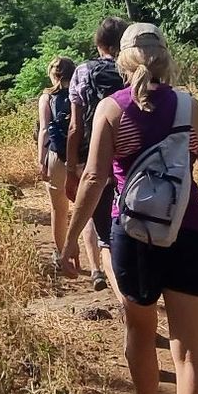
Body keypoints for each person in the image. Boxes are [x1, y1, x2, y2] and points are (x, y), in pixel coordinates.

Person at [65, 22, 198, 394]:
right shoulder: (190, 107)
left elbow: (92, 179)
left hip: (132, 238)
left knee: (139, 329)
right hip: (189, 236)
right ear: (165, 59)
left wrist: (69, 242)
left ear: (124, 63)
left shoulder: (112, 110)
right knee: (189, 352)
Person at [62, 16, 128, 294]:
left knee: (106, 238)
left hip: (94, 158)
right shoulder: (135, 70)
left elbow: (76, 126)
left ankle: (129, 306)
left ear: (98, 42)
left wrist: (70, 169)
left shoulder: (83, 71)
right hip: (131, 159)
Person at [36, 55, 76, 264]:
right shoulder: (82, 93)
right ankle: (94, 257)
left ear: (53, 74)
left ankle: (62, 255)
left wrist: (41, 161)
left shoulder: (47, 97)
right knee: (84, 207)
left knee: (59, 209)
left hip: (56, 155)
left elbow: (44, 130)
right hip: (81, 156)